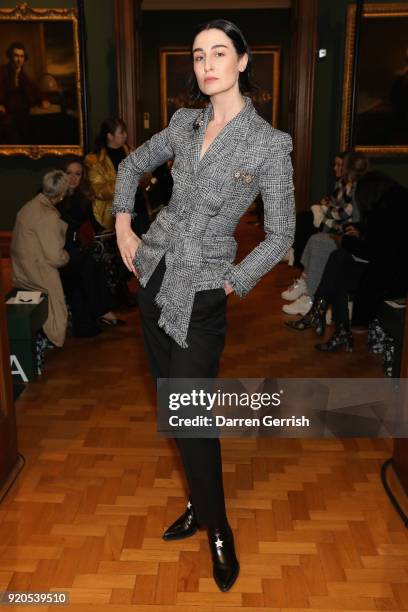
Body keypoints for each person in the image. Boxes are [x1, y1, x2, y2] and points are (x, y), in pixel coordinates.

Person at [112, 19, 295, 592]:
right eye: (198, 55)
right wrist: (123, 222)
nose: (207, 63)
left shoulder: (269, 143)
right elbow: (129, 165)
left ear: (242, 62)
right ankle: (198, 504)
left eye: (219, 52)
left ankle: (216, 528)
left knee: (193, 417)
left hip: (205, 290)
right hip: (155, 274)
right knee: (176, 411)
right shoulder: (184, 124)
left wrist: (235, 281)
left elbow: (282, 230)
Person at [285, 172, 408, 352]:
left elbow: (375, 251)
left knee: (339, 265)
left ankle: (322, 316)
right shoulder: (393, 204)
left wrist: (346, 242)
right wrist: (359, 231)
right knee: (338, 261)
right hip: (386, 270)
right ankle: (331, 323)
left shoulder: (390, 211)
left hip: (393, 279)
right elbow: (380, 239)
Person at [281, 151, 368, 316]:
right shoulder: (344, 185)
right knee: (311, 230)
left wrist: (326, 218)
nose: (335, 168)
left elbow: (345, 216)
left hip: (354, 237)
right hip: (347, 231)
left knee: (318, 240)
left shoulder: (357, 189)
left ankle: (311, 298)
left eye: (339, 165)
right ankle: (307, 283)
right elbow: (331, 205)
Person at [57, 158, 125, 336]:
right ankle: (102, 311)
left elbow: (93, 224)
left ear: (82, 178)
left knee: (99, 260)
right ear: (61, 174)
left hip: (74, 248)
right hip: (56, 250)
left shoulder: (81, 199)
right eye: (69, 173)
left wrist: (110, 232)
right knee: (87, 264)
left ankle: (104, 309)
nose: (72, 178)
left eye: (77, 174)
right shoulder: (54, 197)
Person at [11, 170, 70, 347]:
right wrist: (67, 256)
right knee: (59, 311)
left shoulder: (28, 206)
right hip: (37, 274)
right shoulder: (49, 216)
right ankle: (52, 339)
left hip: (21, 271)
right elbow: (55, 258)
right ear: (61, 194)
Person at [85, 118, 131, 230]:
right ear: (110, 136)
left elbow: (147, 176)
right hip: (110, 215)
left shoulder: (132, 152)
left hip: (136, 212)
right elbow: (99, 190)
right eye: (121, 132)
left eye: (125, 132)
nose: (125, 135)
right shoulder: (94, 160)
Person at [0, 42, 49, 144]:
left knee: (31, 133)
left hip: (21, 111)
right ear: (10, 56)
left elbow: (35, 89)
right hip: (6, 111)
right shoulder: (2, 71)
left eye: (22, 56)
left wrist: (43, 99)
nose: (19, 60)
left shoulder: (24, 75)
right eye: (16, 56)